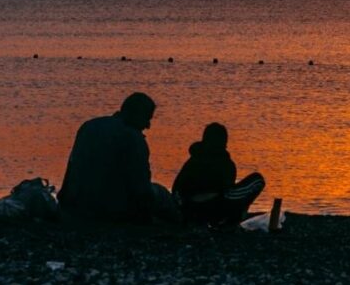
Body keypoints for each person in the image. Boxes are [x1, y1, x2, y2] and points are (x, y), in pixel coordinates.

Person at [58, 92, 177, 223]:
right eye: (147, 118)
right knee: (162, 194)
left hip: (75, 205)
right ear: (135, 115)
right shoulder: (133, 138)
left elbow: (72, 169)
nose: (148, 125)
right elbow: (141, 186)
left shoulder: (89, 126)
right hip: (113, 210)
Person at [172, 122, 265, 226]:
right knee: (258, 180)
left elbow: (176, 188)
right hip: (215, 208)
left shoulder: (192, 160)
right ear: (224, 142)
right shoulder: (225, 163)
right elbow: (227, 190)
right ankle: (234, 219)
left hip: (190, 209)